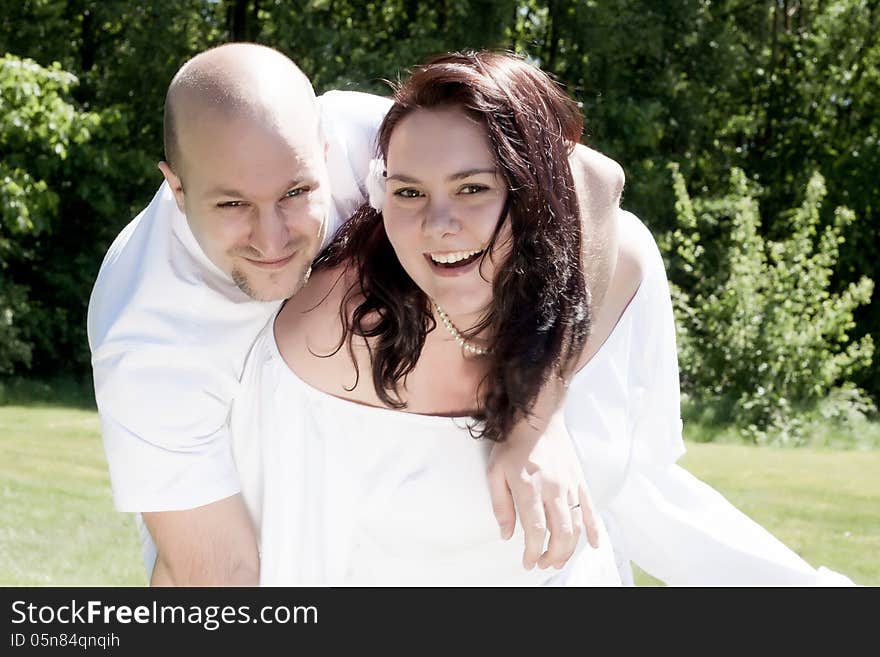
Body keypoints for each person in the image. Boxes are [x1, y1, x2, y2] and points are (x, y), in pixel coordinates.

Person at [231, 51, 853, 586]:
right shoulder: (332, 328)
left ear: (532, 191)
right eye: (409, 192)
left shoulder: (619, 271)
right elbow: (293, 543)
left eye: (473, 188)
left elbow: (640, 489)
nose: (438, 224)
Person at [87, 43, 627, 585]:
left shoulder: (358, 133)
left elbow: (591, 176)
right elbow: (218, 572)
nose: (272, 237)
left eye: (296, 192)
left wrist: (537, 413)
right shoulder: (148, 351)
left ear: (325, 152)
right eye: (233, 205)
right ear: (176, 188)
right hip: (234, 461)